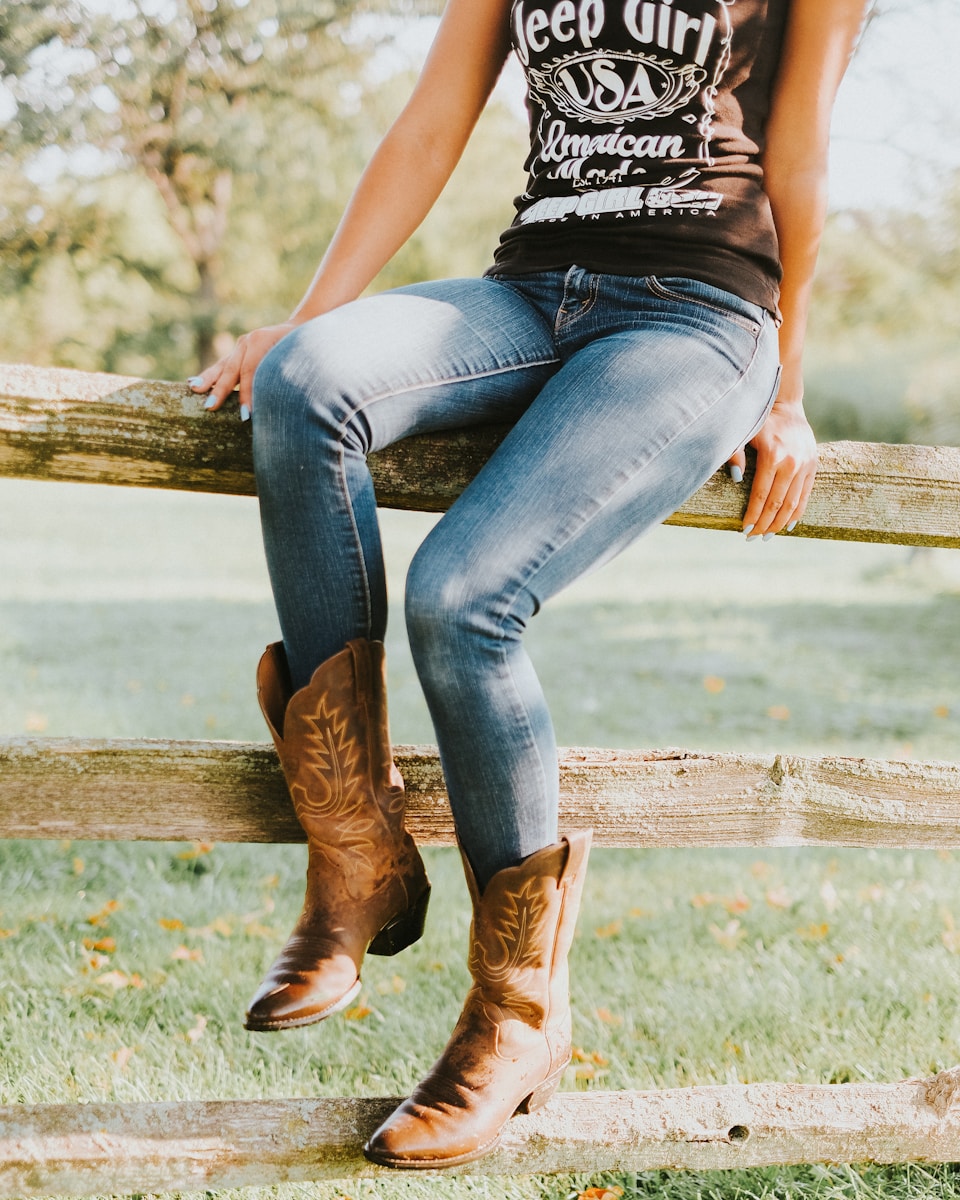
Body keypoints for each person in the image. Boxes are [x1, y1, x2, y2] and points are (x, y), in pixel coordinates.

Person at [188, 0, 867, 1169]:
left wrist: (788, 386)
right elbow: (431, 121)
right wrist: (306, 315)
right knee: (309, 379)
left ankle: (518, 1015)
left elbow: (800, 148)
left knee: (463, 599)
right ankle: (355, 858)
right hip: (530, 286)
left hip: (699, 314)